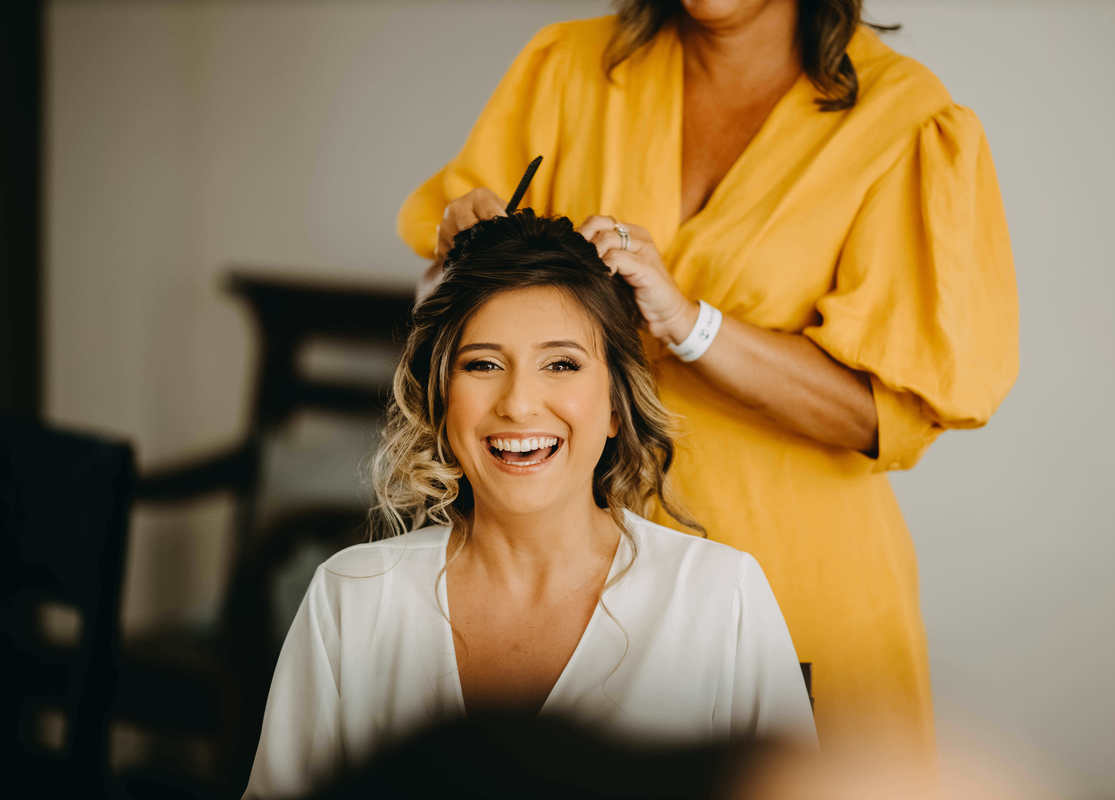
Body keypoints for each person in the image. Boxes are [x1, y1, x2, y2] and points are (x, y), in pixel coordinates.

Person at [398, 0, 1020, 766]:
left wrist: (691, 324)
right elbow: (453, 307)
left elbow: (884, 419)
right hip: (568, 580)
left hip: (801, 582)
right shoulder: (569, 66)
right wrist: (459, 240)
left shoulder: (904, 120)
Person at [243, 211, 816, 799]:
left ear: (617, 406)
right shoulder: (353, 594)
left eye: (562, 364)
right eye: (483, 364)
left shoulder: (722, 598)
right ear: (442, 400)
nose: (518, 404)